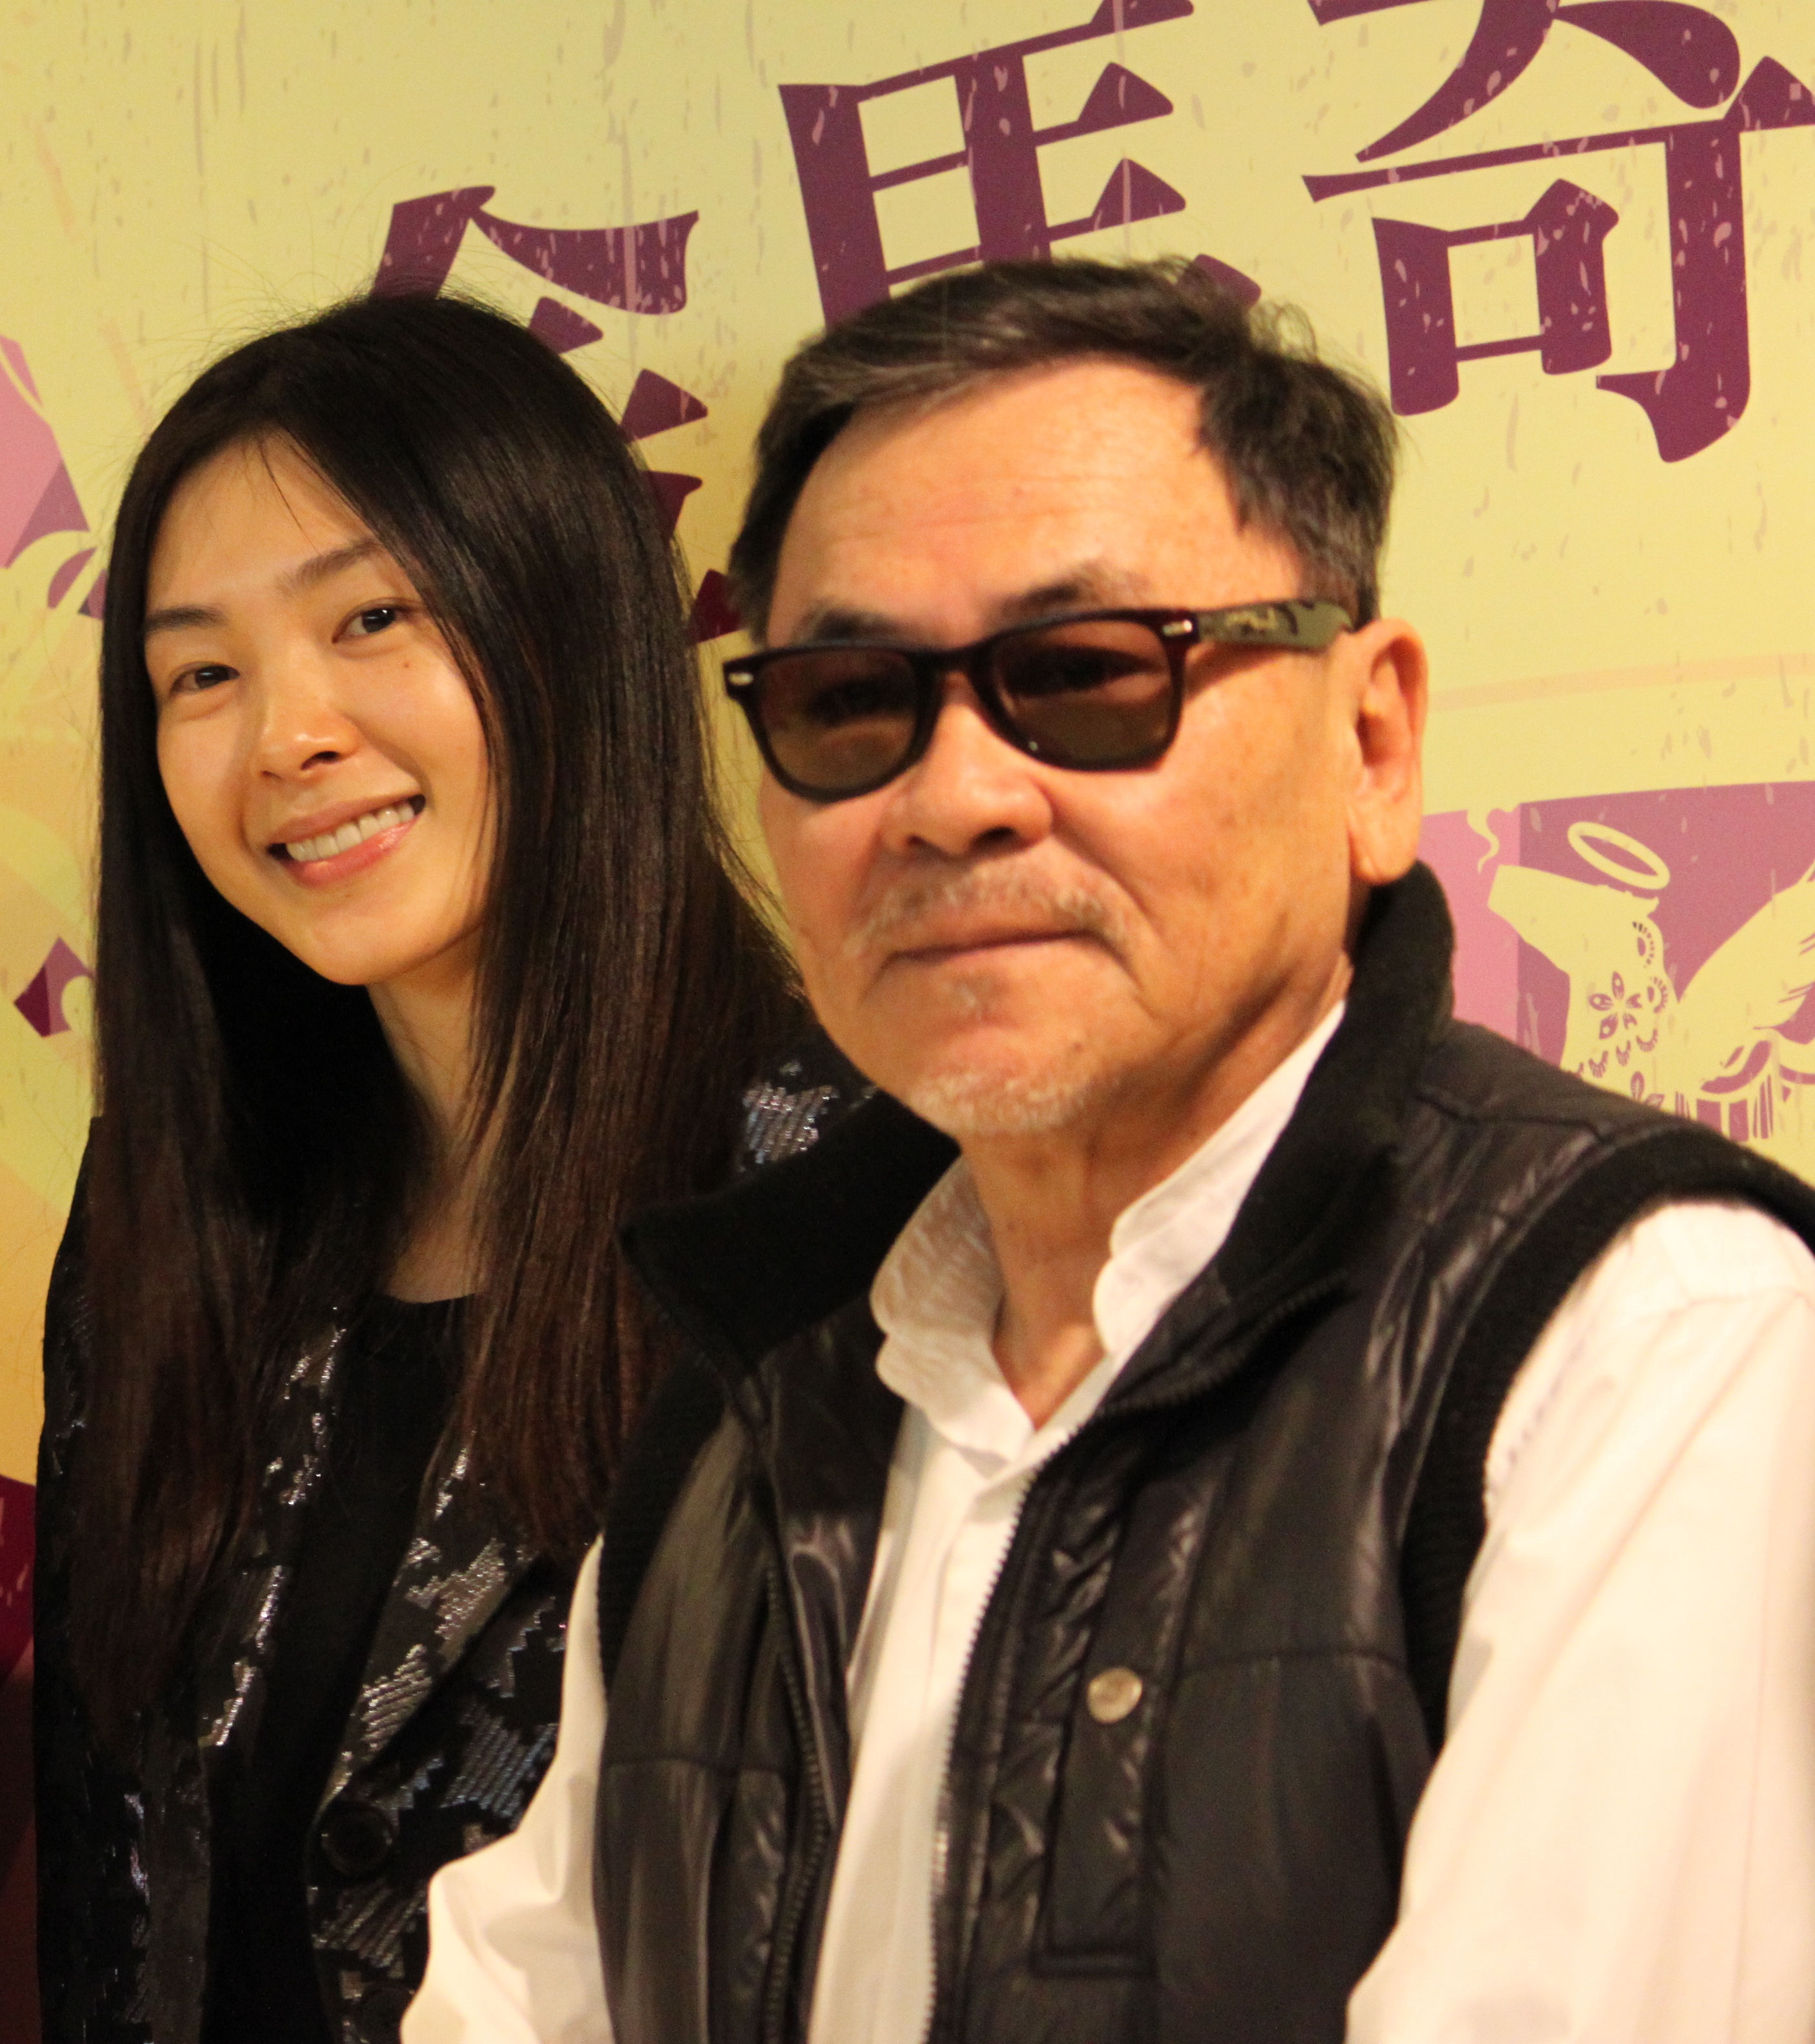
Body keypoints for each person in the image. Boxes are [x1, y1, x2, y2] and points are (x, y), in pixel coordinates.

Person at [405, 259, 1815, 2044]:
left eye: (1086, 676)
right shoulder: (747, 1411)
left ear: (1373, 740)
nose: (954, 797)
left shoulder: (1640, 1339)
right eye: (850, 701)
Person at [32, 292, 797, 2044]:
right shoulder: (177, 1213)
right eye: (201, 673)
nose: (285, 735)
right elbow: (101, 1890)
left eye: (371, 617)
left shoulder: (831, 1209)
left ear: (567, 618)